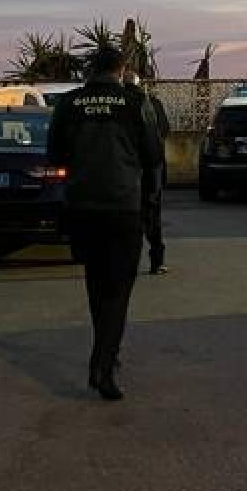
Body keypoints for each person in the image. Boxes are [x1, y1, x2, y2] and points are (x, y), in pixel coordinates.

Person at [48, 47, 162, 401]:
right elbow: (154, 154)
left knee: (97, 285)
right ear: (121, 69)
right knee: (119, 289)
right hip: (122, 206)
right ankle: (103, 363)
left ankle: (105, 357)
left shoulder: (69, 104)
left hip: (81, 206)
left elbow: (54, 154)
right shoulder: (133, 102)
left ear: (89, 69)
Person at [125, 71, 171, 274]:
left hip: (126, 168)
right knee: (152, 216)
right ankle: (157, 261)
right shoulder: (153, 104)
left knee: (126, 216)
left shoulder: (120, 105)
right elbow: (164, 130)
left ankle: (126, 263)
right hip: (152, 169)